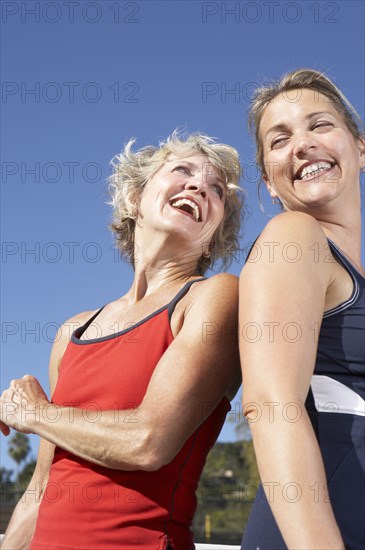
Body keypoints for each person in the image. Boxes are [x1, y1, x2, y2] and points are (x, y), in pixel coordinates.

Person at [0, 132, 243, 550]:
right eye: (183, 170)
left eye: (216, 189)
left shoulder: (215, 297)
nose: (199, 186)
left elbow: (148, 441)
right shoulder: (72, 331)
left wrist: (35, 413)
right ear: (133, 199)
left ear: (215, 235)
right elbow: (41, 490)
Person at [239, 69, 365, 550]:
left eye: (319, 125)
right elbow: (270, 405)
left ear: (359, 148)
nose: (302, 145)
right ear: (270, 183)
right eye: (280, 139)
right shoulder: (294, 239)